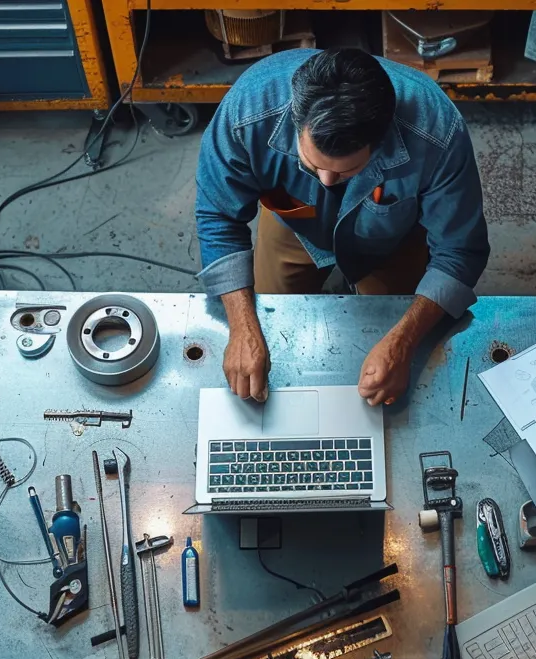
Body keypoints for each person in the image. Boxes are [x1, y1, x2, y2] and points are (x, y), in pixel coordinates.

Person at [194, 48, 488, 406]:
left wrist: (403, 343)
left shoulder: (437, 133)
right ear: (295, 120)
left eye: (347, 171)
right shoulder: (248, 110)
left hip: (391, 239)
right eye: (311, 164)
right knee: (269, 322)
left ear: (380, 141)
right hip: (293, 218)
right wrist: (241, 326)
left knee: (387, 349)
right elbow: (218, 214)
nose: (327, 182)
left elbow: (459, 250)